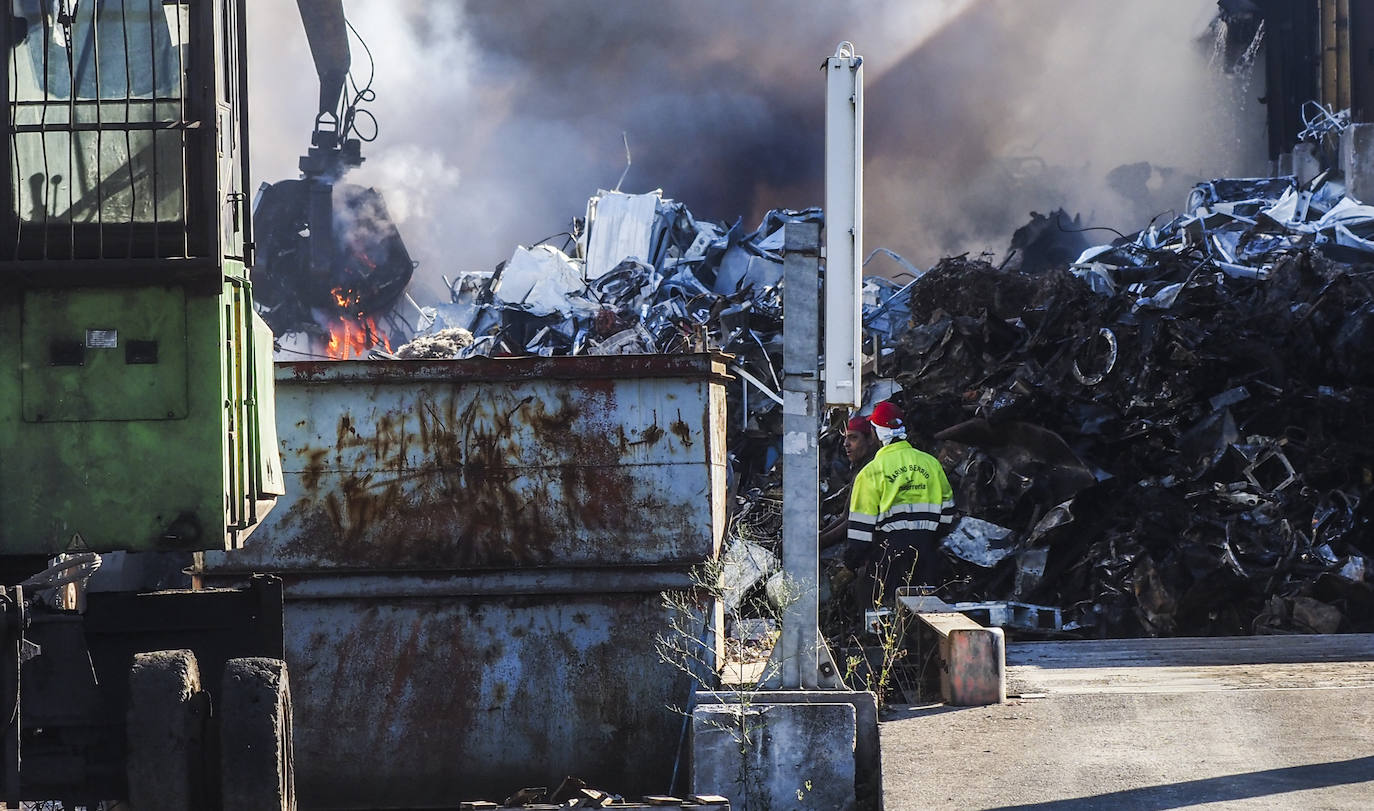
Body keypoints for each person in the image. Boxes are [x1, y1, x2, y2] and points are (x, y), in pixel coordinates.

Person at [839, 401, 955, 604]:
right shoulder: (931, 463)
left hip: (889, 557)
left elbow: (860, 533)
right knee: (926, 615)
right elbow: (947, 514)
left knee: (885, 615)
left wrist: (851, 564)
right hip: (927, 554)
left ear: (875, 433)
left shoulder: (872, 472)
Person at [819, 416, 882, 549]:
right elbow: (846, 515)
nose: (845, 443)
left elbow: (851, 521)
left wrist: (817, 544)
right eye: (845, 438)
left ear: (870, 439)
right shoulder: (861, 467)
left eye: (853, 437)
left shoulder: (872, 470)